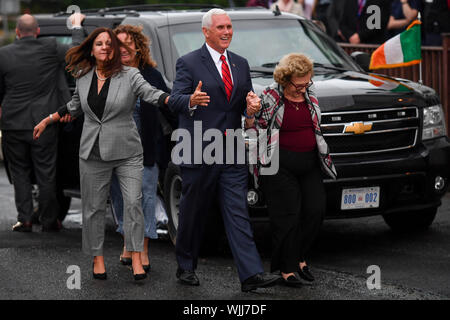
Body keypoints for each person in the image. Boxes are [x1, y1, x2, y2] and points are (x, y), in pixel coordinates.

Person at [33, 27, 170, 281]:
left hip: (131, 151)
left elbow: (157, 96)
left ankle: (138, 255)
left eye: (111, 43)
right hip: (94, 151)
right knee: (95, 208)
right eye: (100, 43)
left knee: (136, 203)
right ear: (93, 49)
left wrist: (183, 102)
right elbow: (74, 107)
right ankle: (98, 259)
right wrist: (48, 120)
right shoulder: (84, 76)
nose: (107, 47)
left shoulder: (133, 74)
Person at [168, 8, 280, 292]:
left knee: (237, 210)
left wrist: (252, 108)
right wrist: (191, 100)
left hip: (232, 149)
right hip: (198, 149)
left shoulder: (241, 64)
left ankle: (251, 274)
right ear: (206, 31)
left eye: (229, 27)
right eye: (221, 27)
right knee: (193, 211)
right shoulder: (189, 63)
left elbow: (245, 104)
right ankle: (185, 265)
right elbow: (175, 100)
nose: (227, 31)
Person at [248, 53, 336, 287]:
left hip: (309, 162)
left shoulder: (310, 92)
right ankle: (286, 268)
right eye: (299, 84)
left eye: (307, 83)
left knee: (315, 211)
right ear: (286, 80)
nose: (303, 88)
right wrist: (251, 112)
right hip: (278, 164)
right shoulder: (270, 95)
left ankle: (298, 256)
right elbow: (255, 126)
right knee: (287, 217)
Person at [0, 13, 84, 233]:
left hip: (12, 123)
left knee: (19, 172)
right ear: (37, 31)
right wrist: (76, 26)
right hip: (43, 122)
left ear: (17, 33)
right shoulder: (50, 46)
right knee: (46, 172)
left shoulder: (3, 54)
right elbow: (76, 53)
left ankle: (25, 219)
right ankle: (49, 220)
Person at [109, 24, 171, 273]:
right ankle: (128, 244)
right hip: (113, 150)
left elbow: (168, 105)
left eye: (127, 44)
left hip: (144, 150)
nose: (123, 49)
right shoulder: (107, 74)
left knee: (144, 198)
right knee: (121, 199)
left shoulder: (151, 75)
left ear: (138, 46)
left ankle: (142, 248)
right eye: (118, 44)